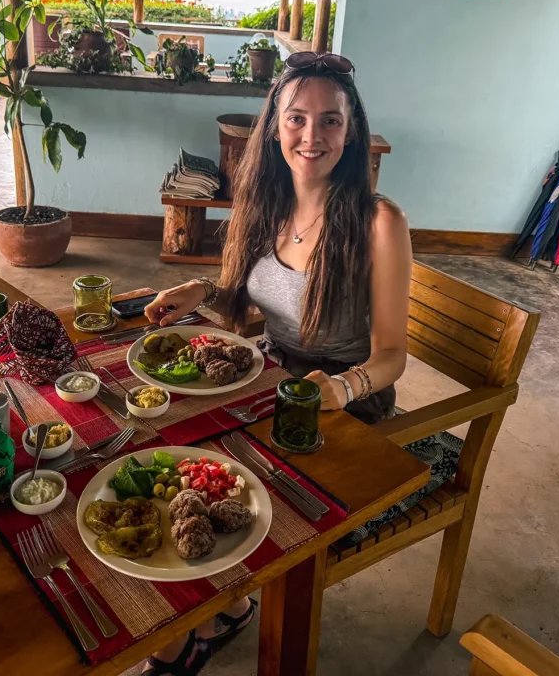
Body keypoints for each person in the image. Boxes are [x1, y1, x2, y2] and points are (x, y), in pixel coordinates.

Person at [139, 51, 412, 675]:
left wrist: (341, 390)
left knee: (235, 485)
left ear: (353, 129)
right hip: (269, 371)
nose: (311, 136)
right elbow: (244, 308)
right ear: (274, 127)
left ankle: (200, 618)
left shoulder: (378, 222)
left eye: (330, 121)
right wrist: (201, 293)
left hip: (344, 399)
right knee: (170, 447)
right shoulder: (262, 203)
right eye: (296, 118)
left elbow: (393, 355)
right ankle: (206, 614)